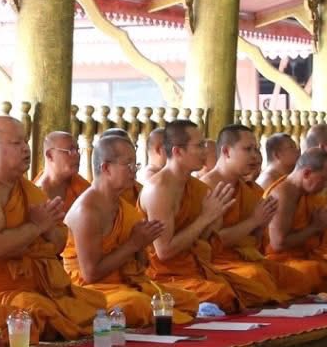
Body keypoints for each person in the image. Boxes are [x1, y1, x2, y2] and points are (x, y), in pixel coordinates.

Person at [0, 116, 105, 339]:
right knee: (37, 311)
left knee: (96, 304)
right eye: (16, 143)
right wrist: (36, 227)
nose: (26, 149)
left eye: (25, 141)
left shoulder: (29, 190)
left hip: (37, 289)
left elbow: (58, 243)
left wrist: (48, 230)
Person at [61, 131, 182, 327]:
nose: (134, 171)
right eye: (129, 165)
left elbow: (140, 265)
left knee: (185, 300)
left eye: (136, 165)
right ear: (106, 168)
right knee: (137, 304)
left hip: (124, 285)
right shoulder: (87, 211)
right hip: (91, 291)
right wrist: (134, 244)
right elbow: (90, 274)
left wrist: (142, 246)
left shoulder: (123, 207)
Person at [139, 119, 242, 312]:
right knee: (223, 294)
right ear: (178, 151)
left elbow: (201, 240)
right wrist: (205, 218)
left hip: (195, 270)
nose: (206, 151)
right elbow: (164, 252)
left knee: (241, 287)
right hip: (164, 277)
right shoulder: (159, 189)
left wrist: (213, 220)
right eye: (199, 146)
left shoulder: (198, 188)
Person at [200, 125, 302, 304]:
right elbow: (211, 242)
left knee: (298, 278)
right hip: (219, 263)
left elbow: (256, 242)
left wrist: (262, 225)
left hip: (249, 259)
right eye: (248, 149)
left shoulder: (251, 189)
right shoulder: (208, 187)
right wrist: (254, 220)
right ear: (226, 151)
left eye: (256, 149)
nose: (255, 156)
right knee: (256, 277)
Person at [268, 149, 327, 287]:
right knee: (317, 273)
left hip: (308, 256)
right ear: (307, 173)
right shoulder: (284, 194)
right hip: (282, 260)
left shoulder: (307, 193)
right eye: (324, 179)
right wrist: (315, 227)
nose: (326, 185)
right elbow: (278, 244)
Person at [39, 130, 89, 206]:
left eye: (77, 150)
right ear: (50, 155)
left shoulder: (83, 188)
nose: (77, 155)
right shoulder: (33, 193)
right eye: (70, 150)